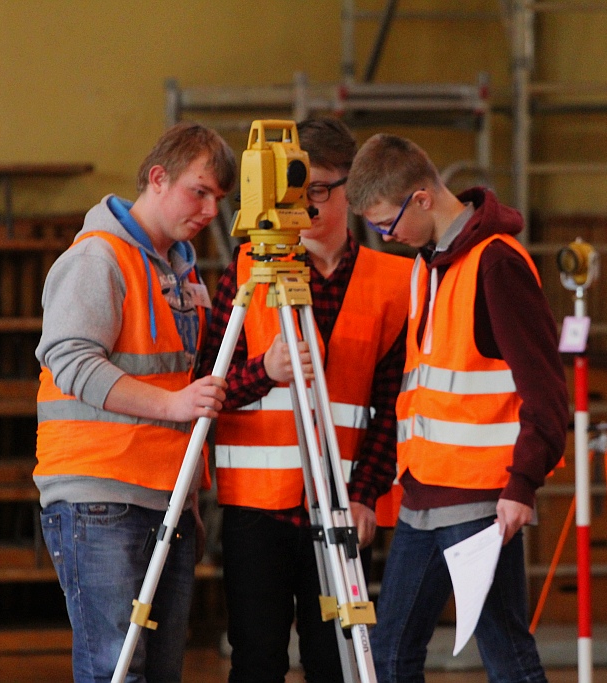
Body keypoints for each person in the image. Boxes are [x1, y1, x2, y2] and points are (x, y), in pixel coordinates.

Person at [345, 133, 569, 683]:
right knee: (390, 653)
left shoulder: (496, 265)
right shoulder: (428, 265)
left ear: (421, 198)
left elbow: (546, 389)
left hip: (479, 501)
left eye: (386, 224)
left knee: (506, 655)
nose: (386, 237)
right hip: (423, 492)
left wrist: (522, 484)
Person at [197, 117, 412, 683]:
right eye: (296, 190)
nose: (307, 206)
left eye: (319, 189)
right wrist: (264, 373)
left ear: (351, 188)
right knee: (257, 661)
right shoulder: (247, 273)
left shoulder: (393, 284)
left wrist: (366, 496)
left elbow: (393, 408)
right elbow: (204, 388)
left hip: (341, 511)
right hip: (254, 512)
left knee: (335, 663)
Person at [34, 122, 237, 683]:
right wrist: (175, 409)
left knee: (158, 670)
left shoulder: (178, 272)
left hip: (165, 496)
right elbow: (72, 362)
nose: (207, 208)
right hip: (100, 493)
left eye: (217, 199)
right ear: (158, 178)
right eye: (199, 191)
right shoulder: (99, 258)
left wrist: (191, 494)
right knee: (116, 670)